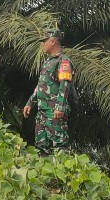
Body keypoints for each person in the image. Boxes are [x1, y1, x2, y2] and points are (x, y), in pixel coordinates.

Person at [22, 28, 74, 156]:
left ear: (52, 41)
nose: (42, 44)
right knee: (41, 147)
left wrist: (60, 107)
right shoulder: (47, 62)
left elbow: (65, 84)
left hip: (54, 111)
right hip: (42, 112)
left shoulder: (64, 61)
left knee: (60, 147)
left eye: (44, 41)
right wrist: (30, 103)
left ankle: (65, 174)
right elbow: (41, 85)